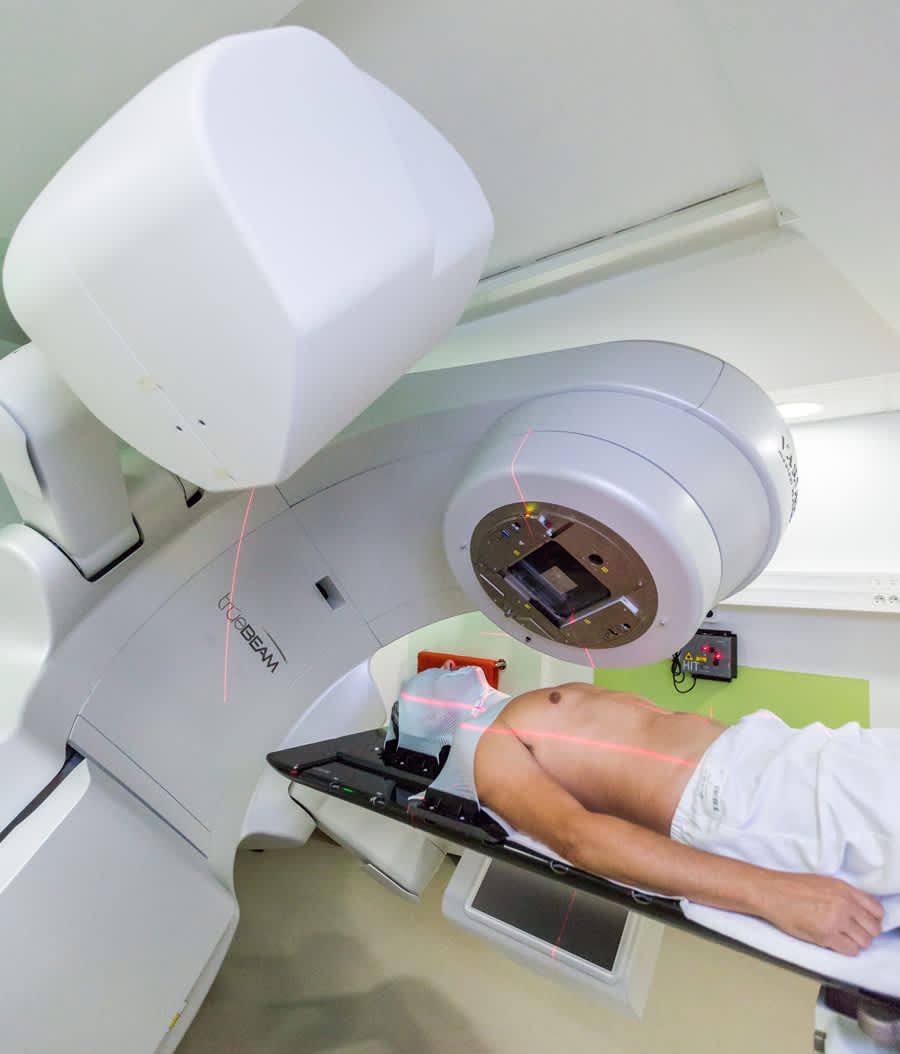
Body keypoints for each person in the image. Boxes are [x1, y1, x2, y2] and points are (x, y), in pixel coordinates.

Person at [395, 667, 895, 957]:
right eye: (437, 675)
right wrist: (768, 892)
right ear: (432, 716)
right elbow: (576, 836)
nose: (456, 670)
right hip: (736, 794)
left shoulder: (515, 706)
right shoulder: (480, 745)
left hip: (772, 749)